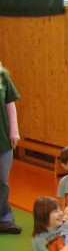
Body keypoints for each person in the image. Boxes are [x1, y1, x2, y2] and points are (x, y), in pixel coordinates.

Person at [0, 59, 20, 234]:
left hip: (3, 138)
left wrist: (14, 131)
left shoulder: (3, 75)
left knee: (2, 182)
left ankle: (4, 219)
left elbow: (10, 104)